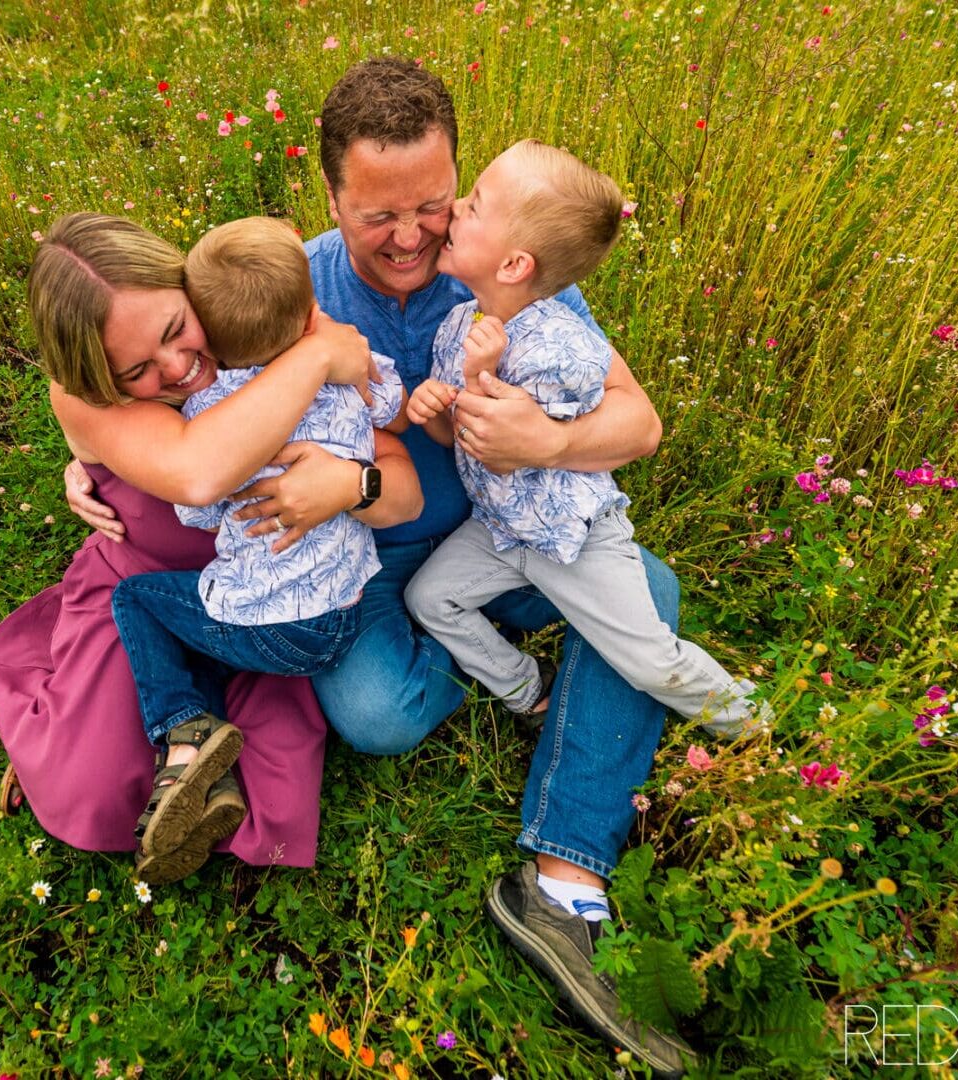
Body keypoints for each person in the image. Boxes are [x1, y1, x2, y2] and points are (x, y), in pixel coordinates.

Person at [65, 59, 692, 1076]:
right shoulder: (283, 282)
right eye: (376, 216)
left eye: (431, 208)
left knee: (648, 591)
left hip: (495, 539)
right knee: (378, 720)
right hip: (352, 572)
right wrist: (92, 454)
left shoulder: (502, 270)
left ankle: (563, 880)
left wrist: (544, 441)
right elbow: (159, 369)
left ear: (460, 190)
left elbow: (637, 421)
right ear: (329, 199)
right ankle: (517, 667)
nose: (409, 237)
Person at [0, 211, 423, 885]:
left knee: (248, 784)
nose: (181, 368)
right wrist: (317, 355)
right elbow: (197, 474)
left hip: (258, 597)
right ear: (98, 379)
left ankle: (83, 728)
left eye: (177, 329)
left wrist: (352, 481)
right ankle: (25, 700)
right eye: (139, 370)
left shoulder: (254, 323)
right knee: (91, 789)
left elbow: (400, 484)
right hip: (152, 589)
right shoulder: (89, 396)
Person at [404, 139, 769, 740]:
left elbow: (505, 452)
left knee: (649, 659)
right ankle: (528, 690)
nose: (455, 209)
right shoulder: (459, 324)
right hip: (500, 529)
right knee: (432, 599)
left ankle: (754, 725)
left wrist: (473, 379)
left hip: (572, 537)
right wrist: (431, 408)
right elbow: (461, 439)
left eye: (474, 205)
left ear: (515, 265)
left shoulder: (561, 346)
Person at [109, 217, 406, 883]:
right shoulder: (349, 364)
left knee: (140, 601)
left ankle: (181, 731)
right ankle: (203, 771)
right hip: (343, 615)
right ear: (309, 309)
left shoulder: (217, 408)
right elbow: (391, 400)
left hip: (272, 627)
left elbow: (195, 505)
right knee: (205, 631)